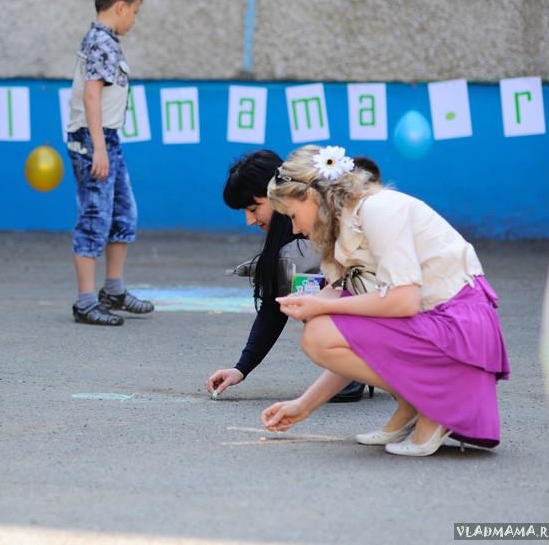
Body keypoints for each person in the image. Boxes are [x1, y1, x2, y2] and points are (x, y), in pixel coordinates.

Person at [262, 145, 509, 456]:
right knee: (322, 328)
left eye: (292, 216)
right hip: (439, 326)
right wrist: (304, 405)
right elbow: (357, 343)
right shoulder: (343, 229)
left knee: (320, 330)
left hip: (457, 328)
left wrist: (324, 305)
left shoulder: (378, 209)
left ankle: (430, 405)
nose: (295, 229)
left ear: (311, 196)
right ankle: (413, 403)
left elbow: (404, 301)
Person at [206, 150, 372, 402]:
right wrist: (241, 368)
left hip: (406, 315)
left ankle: (355, 367)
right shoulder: (290, 244)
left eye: (253, 208)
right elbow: (273, 310)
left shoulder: (336, 225)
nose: (249, 220)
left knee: (309, 290)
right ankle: (355, 367)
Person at [66, 0, 153, 326]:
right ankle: (85, 301)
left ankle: (113, 290)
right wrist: (98, 148)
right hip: (94, 140)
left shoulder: (106, 40)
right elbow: (92, 95)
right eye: (134, 11)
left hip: (107, 139)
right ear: (120, 7)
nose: (134, 19)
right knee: (94, 217)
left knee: (122, 214)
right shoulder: (101, 41)